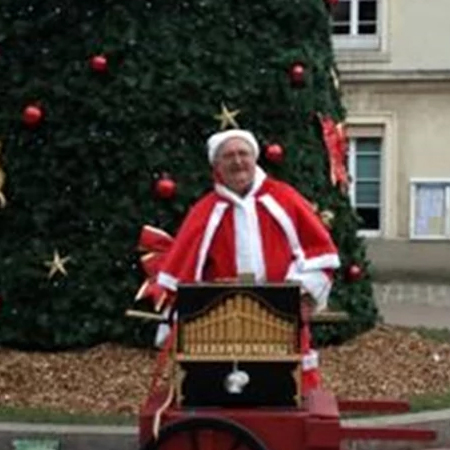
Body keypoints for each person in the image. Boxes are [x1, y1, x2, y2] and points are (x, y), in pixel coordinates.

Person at [138, 128, 340, 395]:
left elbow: (320, 255)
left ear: (254, 158)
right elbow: (182, 273)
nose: (237, 162)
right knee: (219, 390)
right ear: (217, 166)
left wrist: (300, 293)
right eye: (228, 156)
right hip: (223, 327)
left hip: (280, 318)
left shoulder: (285, 198)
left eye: (243, 154)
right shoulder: (204, 211)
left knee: (286, 391)